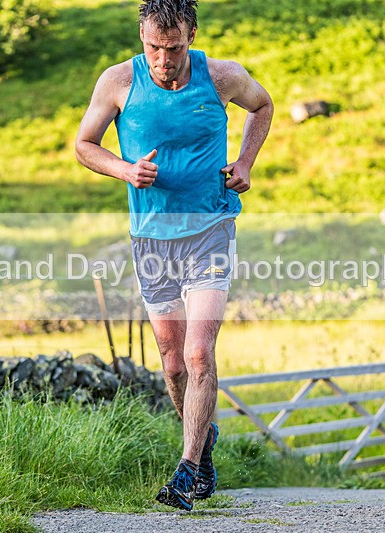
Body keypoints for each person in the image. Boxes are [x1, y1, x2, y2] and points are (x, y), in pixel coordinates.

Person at [74, 0, 273, 511]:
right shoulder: (118, 81)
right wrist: (124, 171)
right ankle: (203, 443)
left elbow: (263, 105)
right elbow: (84, 144)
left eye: (174, 48)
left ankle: (187, 469)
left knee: (199, 352)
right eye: (153, 48)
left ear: (191, 38)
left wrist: (246, 162)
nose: (163, 59)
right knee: (171, 361)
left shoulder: (223, 76)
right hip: (152, 240)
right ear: (142, 38)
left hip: (211, 230)